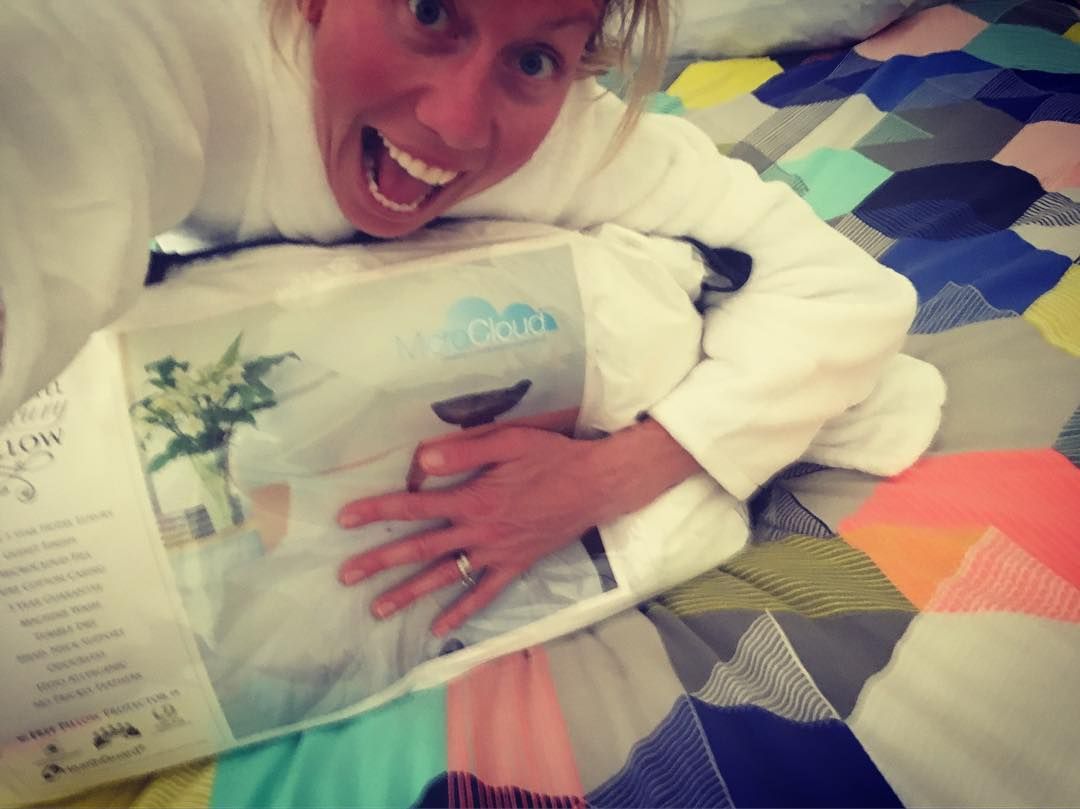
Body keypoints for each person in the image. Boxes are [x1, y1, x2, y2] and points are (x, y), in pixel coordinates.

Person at [0, 0, 918, 638]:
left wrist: (607, 477)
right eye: (430, 11)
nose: (459, 124)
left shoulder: (574, 139)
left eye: (534, 59)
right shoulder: (155, 48)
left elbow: (843, 290)